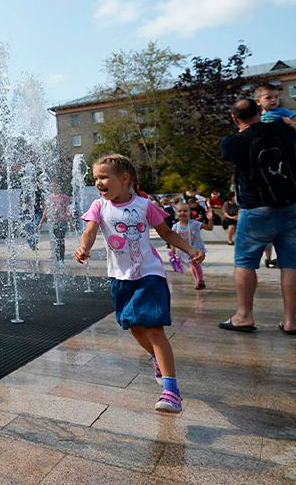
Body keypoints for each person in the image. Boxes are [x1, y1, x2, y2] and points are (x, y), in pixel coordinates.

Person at [74, 154, 204, 414]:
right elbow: (89, 231)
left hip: (149, 275)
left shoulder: (144, 205)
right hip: (121, 278)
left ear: (124, 179)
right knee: (134, 327)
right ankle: (157, 358)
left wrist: (190, 250)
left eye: (103, 177)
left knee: (154, 331)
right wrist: (83, 247)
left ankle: (171, 390)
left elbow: (166, 232)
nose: (98, 182)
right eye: (96, 178)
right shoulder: (100, 207)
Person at [219, 98, 296, 335]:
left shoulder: (233, 142)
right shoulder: (281, 128)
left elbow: (230, 158)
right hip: (294, 204)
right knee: (291, 263)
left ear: (234, 118)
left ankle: (244, 316)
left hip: (257, 208)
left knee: (246, 262)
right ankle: (290, 322)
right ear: (261, 110)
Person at [173, 202, 212, 290]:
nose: (182, 213)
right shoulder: (175, 227)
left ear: (190, 213)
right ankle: (198, 280)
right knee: (192, 265)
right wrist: (173, 251)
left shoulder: (195, 224)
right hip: (185, 250)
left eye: (185, 211)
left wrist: (210, 219)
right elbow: (173, 240)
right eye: (179, 211)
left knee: (194, 263)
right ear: (176, 213)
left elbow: (210, 228)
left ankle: (199, 280)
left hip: (197, 249)